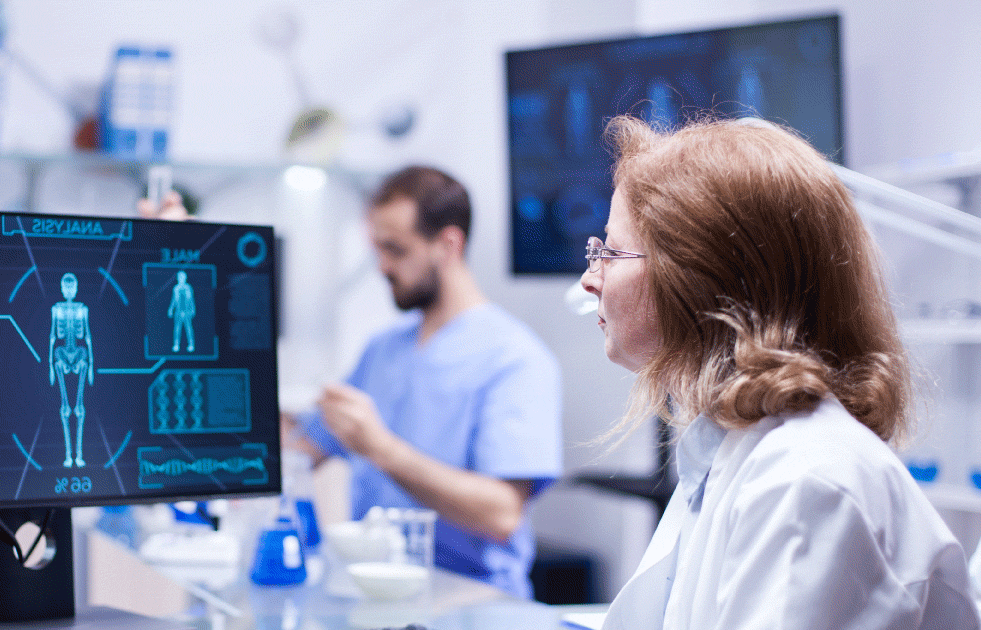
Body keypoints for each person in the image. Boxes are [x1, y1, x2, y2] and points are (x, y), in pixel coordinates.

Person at [583, 116, 979, 628]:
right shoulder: (737, 452)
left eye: (611, 252)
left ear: (700, 277)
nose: (591, 278)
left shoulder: (807, 481)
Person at [293, 166, 562, 598]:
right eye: (377, 250)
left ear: (448, 244)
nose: (382, 266)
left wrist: (382, 449)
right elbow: (303, 449)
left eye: (395, 250)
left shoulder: (515, 359)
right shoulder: (382, 350)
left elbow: (501, 514)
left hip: (471, 605)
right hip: (374, 599)